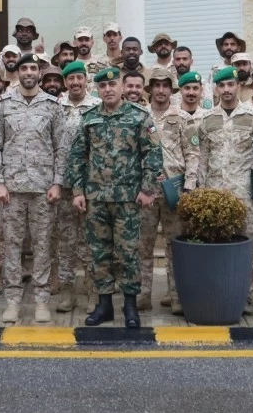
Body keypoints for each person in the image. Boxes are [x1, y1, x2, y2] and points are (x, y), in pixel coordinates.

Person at [67, 66, 162, 329]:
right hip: (96, 198)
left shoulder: (139, 116)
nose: (108, 89)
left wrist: (147, 189)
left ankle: (130, 305)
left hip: (128, 198)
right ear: (97, 89)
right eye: (102, 86)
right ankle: (104, 305)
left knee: (128, 253)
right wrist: (78, 191)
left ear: (121, 87)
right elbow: (77, 156)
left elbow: (153, 154)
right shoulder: (89, 118)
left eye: (112, 85)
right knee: (99, 253)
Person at [0, 53, 66, 324]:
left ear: (39, 73)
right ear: (17, 73)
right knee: (11, 245)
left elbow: (61, 147)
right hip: (11, 189)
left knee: (44, 245)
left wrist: (57, 182)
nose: (29, 72)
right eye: (25, 68)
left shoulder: (53, 106)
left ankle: (41, 300)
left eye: (33, 68)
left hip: (44, 188)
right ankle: (12, 300)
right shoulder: (2, 105)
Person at [194, 66, 253, 313]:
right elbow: (203, 158)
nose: (226, 90)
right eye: (222, 85)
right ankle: (221, 292)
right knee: (218, 245)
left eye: (230, 85)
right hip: (216, 194)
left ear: (239, 86)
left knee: (250, 245)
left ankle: (249, 296)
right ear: (216, 89)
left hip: (245, 193)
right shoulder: (207, 120)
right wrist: (201, 192)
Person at [138, 67, 187, 312]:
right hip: (146, 190)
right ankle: (143, 294)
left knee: (174, 246)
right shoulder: (139, 116)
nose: (160, 90)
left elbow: (192, 153)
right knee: (142, 246)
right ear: (150, 89)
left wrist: (189, 186)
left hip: (173, 190)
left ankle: (176, 295)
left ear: (171, 89)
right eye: (156, 85)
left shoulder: (182, 118)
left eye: (165, 85)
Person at [53, 60, 99, 313]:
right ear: (65, 82)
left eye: (79, 77)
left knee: (91, 241)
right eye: (71, 78)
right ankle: (67, 292)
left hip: (91, 183)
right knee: (66, 241)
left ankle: (92, 291)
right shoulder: (56, 107)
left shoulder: (97, 107)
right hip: (65, 184)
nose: (75, 82)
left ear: (86, 80)